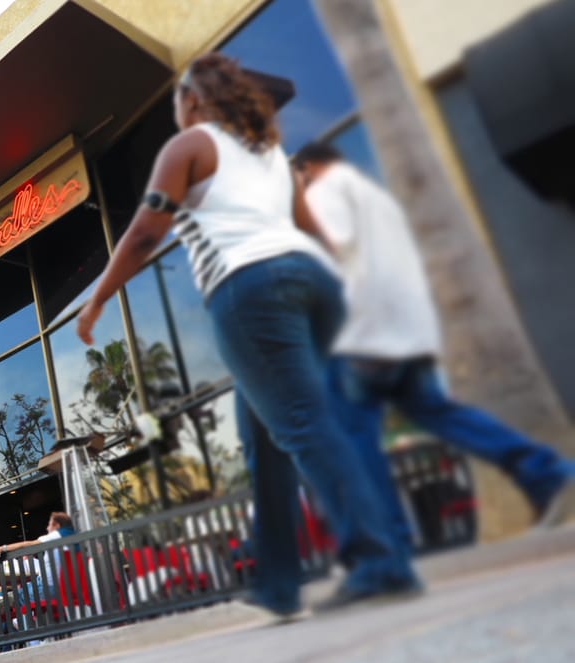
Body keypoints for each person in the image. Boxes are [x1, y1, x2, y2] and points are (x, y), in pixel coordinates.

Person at [75, 52, 419, 615]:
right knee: (262, 438)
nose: (176, 112)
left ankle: (381, 560)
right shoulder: (267, 154)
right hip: (312, 283)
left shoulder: (189, 146)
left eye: (177, 101)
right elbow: (310, 227)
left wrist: (97, 299)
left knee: (305, 426)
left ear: (192, 100)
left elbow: (143, 234)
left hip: (250, 290)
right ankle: (280, 581)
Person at [293, 141, 575, 545]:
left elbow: (338, 247)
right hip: (410, 332)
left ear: (308, 169)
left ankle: (388, 541)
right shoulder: (377, 197)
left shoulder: (326, 191)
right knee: (442, 413)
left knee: (349, 435)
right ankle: (545, 473)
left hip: (367, 333)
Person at [0, 512, 75, 635]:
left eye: (49, 525)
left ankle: (34, 638)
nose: (47, 529)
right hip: (59, 586)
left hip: (48, 588)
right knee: (20, 597)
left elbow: (28, 544)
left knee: (12, 601)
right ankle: (42, 634)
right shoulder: (72, 535)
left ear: (57, 525)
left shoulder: (57, 535)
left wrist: (2, 548)